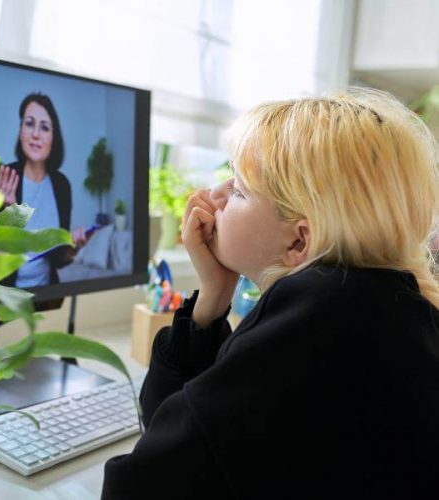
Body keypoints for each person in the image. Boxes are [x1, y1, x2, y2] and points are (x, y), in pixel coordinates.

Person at [101, 87, 439, 499]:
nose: (214, 196)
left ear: (299, 243)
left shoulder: (318, 315)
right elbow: (182, 438)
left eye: (239, 189)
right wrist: (213, 296)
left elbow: (140, 485)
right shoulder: (392, 307)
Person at [0, 92, 88, 287]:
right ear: (21, 131)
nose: (35, 134)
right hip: (7, 300)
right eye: (29, 123)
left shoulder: (62, 185)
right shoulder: (1, 179)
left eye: (45, 127)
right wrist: (10, 217)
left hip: (47, 296)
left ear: (53, 138)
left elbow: (57, 259)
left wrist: (73, 249)